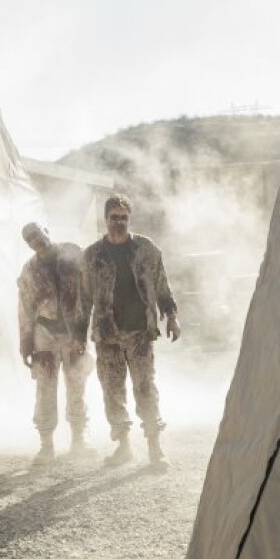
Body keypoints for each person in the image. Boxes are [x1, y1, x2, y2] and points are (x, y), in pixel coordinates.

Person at [83, 194, 181, 468]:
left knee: (145, 387)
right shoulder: (92, 255)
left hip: (140, 332)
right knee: (112, 391)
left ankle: (155, 448)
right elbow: (83, 299)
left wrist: (172, 317)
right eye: (114, 217)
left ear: (129, 219)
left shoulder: (146, 249)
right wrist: (78, 337)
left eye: (124, 217)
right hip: (107, 335)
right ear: (105, 220)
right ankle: (124, 447)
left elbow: (162, 285)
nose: (119, 222)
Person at [17, 222, 92, 464]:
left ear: (47, 231)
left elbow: (89, 290)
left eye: (37, 235)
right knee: (45, 388)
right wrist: (26, 343)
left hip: (73, 332)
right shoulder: (29, 270)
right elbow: (25, 308)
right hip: (45, 334)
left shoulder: (72, 253)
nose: (35, 241)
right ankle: (46, 445)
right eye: (30, 239)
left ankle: (79, 439)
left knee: (77, 384)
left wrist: (84, 332)